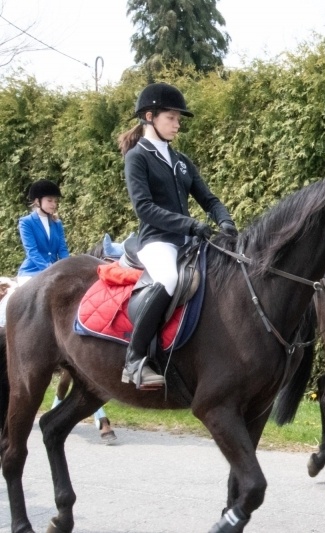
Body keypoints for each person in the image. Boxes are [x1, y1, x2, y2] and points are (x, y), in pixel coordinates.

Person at [116, 82, 237, 390]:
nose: (177, 124)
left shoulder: (180, 160)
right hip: (157, 241)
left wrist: (225, 221)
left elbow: (208, 199)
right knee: (169, 279)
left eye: (178, 119)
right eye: (171, 117)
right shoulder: (137, 157)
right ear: (149, 116)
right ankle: (134, 359)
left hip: (187, 242)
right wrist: (189, 225)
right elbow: (144, 208)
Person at [17, 179, 117, 441]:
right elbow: (33, 253)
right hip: (32, 275)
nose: (54, 203)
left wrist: (66, 269)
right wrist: (52, 272)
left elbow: (62, 250)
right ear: (37, 202)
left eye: (55, 200)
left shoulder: (57, 223)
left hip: (54, 275)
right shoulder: (26, 223)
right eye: (50, 200)